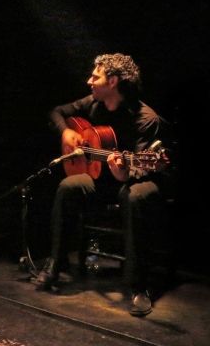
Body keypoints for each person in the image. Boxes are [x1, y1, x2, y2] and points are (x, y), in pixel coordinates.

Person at [33, 53, 173, 317]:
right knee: (68, 186)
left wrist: (122, 172)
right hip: (103, 178)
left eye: (95, 77)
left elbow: (143, 167)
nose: (89, 81)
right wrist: (66, 131)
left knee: (133, 196)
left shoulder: (145, 118)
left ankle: (138, 287)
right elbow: (57, 112)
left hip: (142, 179)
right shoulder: (94, 102)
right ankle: (56, 264)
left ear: (113, 82)